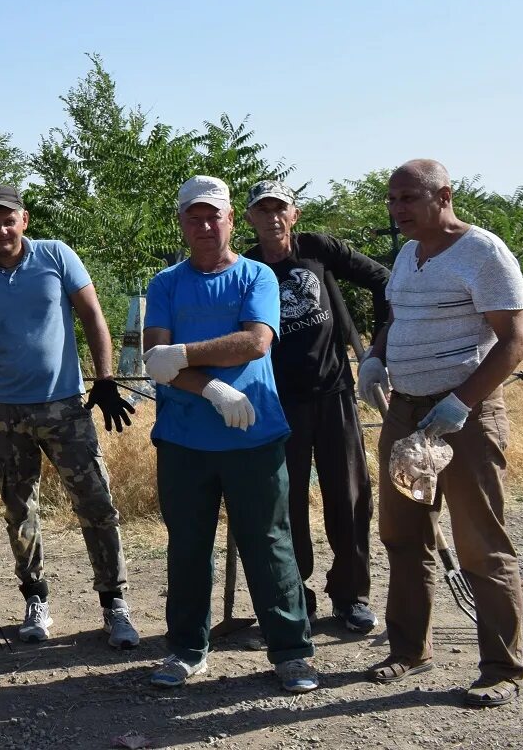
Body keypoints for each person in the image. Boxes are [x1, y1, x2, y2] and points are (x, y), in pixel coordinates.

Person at [0, 184, 141, 647]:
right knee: (18, 509)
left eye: (9, 219)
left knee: (96, 503)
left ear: (23, 220)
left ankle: (115, 603)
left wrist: (103, 378)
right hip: (5, 410)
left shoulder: (56, 255)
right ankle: (36, 598)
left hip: (65, 404)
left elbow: (92, 315)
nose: (1, 229)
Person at [361, 159, 523, 707]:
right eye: (392, 200)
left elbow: (513, 342)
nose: (397, 210)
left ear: (444, 195)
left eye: (408, 198)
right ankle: (409, 650)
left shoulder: (484, 253)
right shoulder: (409, 253)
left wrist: (461, 402)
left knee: (481, 542)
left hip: (466, 417)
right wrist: (375, 357)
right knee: (404, 535)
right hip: (405, 413)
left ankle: (502, 667)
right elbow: (397, 314)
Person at [142, 175, 318, 694]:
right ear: (181, 223)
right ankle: (185, 650)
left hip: (254, 436)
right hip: (183, 439)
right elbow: (156, 360)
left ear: (229, 220)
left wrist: (188, 357)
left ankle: (291, 652)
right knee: (188, 547)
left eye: (213, 215)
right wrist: (214, 390)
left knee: (269, 544)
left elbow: (255, 343)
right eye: (193, 217)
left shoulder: (257, 276)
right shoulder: (166, 283)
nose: (203, 225)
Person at [243, 178, 390, 635]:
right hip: (275, 402)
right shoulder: (244, 267)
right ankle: (295, 596)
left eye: (280, 208)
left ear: (294, 214)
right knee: (284, 504)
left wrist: (381, 350)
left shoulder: (318, 249)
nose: (272, 217)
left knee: (349, 498)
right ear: (249, 218)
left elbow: (384, 280)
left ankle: (351, 596)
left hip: (333, 394)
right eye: (262, 210)